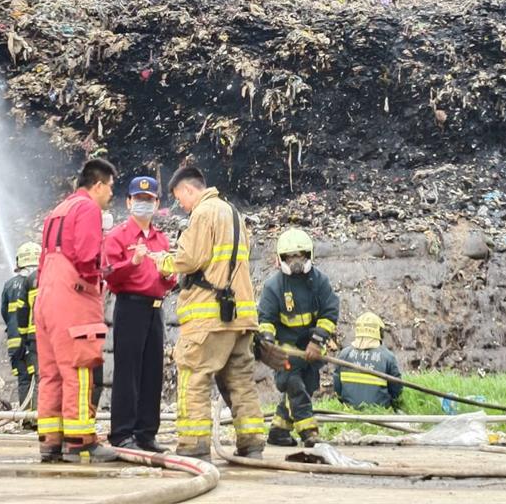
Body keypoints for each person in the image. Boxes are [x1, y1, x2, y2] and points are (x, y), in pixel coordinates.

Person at [146, 165, 266, 461]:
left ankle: (194, 446)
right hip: (240, 316)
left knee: (193, 378)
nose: (181, 205)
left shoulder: (203, 213)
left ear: (189, 189)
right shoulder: (234, 213)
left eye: (179, 198)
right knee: (240, 381)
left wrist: (160, 261)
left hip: (208, 316)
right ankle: (252, 444)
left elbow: (189, 259)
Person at [34, 158, 119, 464]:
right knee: (80, 370)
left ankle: (51, 442)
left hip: (46, 298)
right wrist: (106, 269)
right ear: (97, 185)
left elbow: (45, 260)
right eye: (110, 187)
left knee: (51, 374)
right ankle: (80, 440)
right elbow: (85, 257)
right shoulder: (87, 209)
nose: (111, 194)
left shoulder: (57, 211)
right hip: (73, 299)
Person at [102, 176, 176, 452]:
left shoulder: (161, 239)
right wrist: (132, 263)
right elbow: (109, 274)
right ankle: (122, 433)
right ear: (129, 202)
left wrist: (170, 276)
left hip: (155, 309)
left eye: (149, 200)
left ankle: (147, 433)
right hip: (130, 306)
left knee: (152, 371)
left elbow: (169, 279)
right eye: (138, 200)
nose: (143, 204)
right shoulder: (118, 236)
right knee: (128, 371)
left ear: (157, 204)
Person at [257, 228, 339, 447]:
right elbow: (266, 319)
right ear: (281, 258)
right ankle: (309, 433)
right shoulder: (273, 287)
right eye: (290, 256)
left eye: (300, 255)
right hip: (285, 350)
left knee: (308, 385)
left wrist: (317, 342)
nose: (295, 261)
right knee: (294, 386)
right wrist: (267, 344)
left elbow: (330, 312)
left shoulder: (319, 281)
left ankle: (279, 431)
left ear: (309, 255)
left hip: (310, 349)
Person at [334, 313, 403, 409]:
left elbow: (337, 387)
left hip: (349, 413)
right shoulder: (388, 357)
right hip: (379, 414)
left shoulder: (344, 354)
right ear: (379, 332)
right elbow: (396, 389)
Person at [1, 241, 41, 407]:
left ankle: (26, 418)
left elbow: (4, 312)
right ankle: (37, 417)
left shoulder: (9, 285)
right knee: (39, 378)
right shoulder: (39, 282)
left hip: (15, 340)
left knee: (24, 379)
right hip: (35, 338)